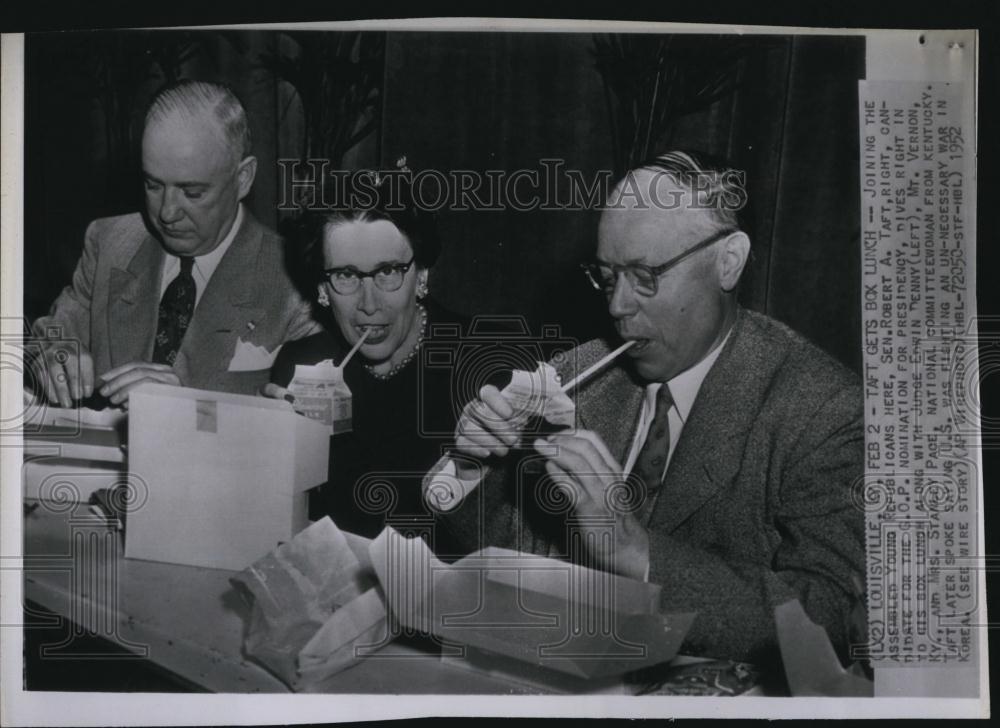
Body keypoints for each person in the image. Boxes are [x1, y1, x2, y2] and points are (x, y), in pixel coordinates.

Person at [425, 151, 867, 675]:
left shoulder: (822, 408)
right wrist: (474, 468)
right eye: (607, 276)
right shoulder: (581, 376)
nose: (617, 306)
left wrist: (635, 552)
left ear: (728, 261)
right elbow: (522, 560)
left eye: (645, 275)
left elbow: (834, 617)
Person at [30, 80, 317, 407]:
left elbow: (312, 424)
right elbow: (54, 332)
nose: (166, 213)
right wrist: (54, 354)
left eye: (192, 193)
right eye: (153, 186)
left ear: (243, 179)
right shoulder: (109, 242)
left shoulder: (296, 281)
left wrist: (186, 411)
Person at [266, 171, 469, 547]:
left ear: (422, 274)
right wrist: (267, 444)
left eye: (388, 272)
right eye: (346, 275)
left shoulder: (481, 365)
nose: (369, 305)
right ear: (322, 288)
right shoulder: (300, 366)